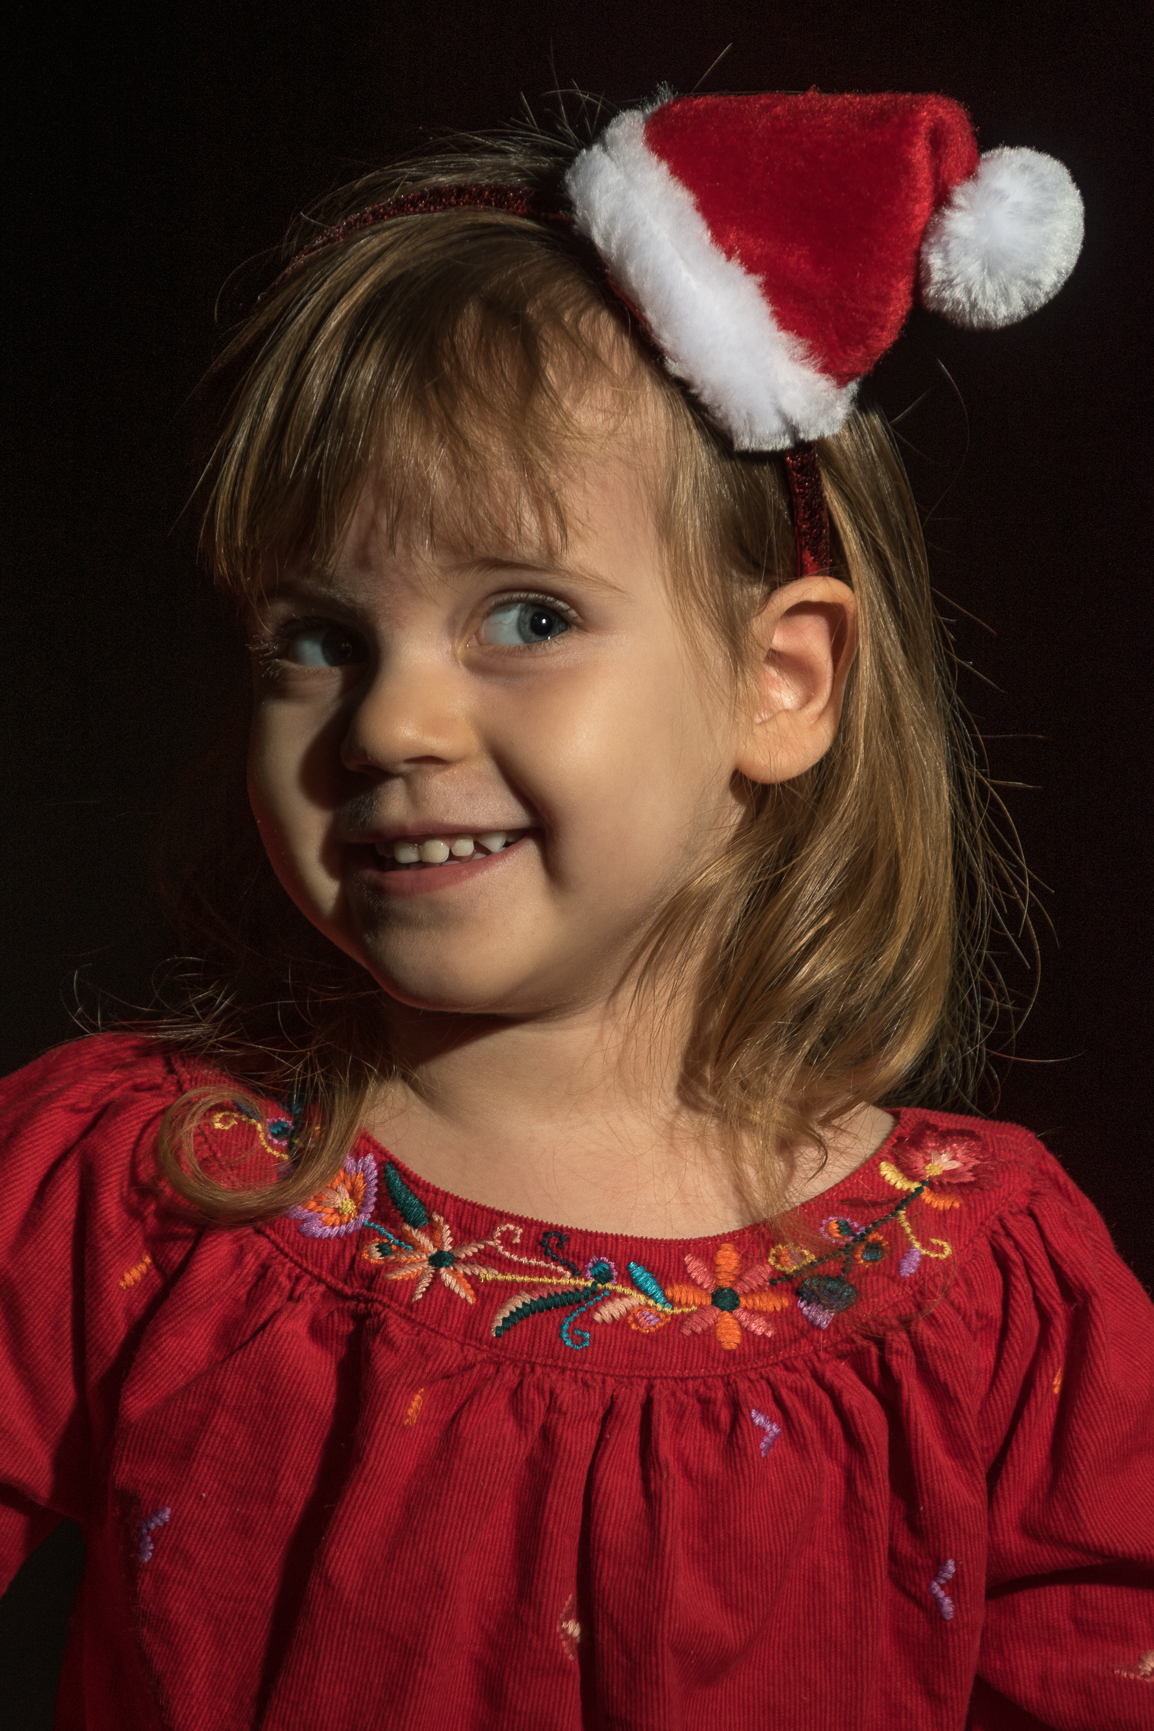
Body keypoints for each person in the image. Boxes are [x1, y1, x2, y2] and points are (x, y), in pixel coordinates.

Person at [1, 88, 1150, 1730]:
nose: (391, 723)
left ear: (778, 681)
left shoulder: (988, 1293)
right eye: (318, 638)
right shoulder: (129, 1191)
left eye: (525, 616)